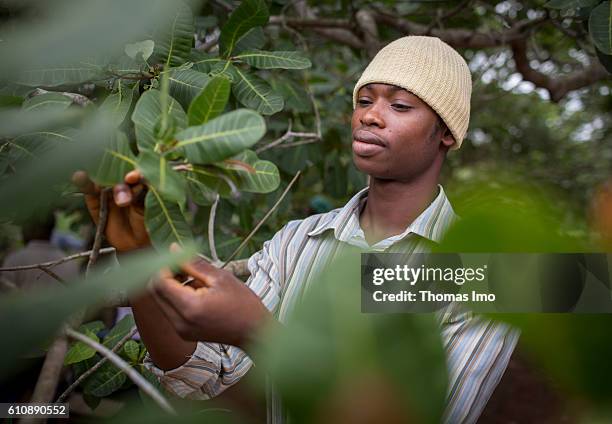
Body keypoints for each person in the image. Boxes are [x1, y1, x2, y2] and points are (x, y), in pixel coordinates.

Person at [75, 36, 518, 423]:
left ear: (444, 133)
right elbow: (215, 389)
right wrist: (136, 254)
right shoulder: (296, 242)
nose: (370, 116)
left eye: (400, 106)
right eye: (365, 101)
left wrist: (258, 332)